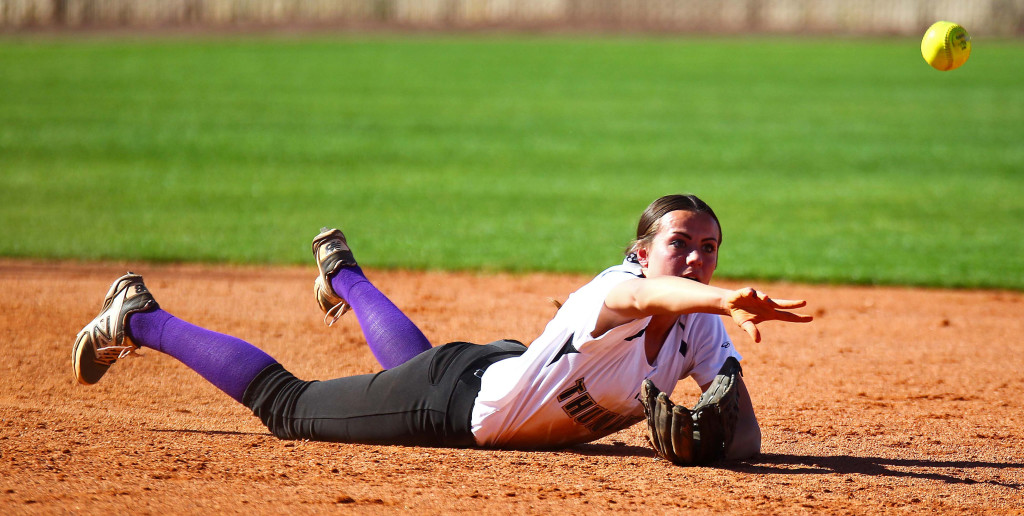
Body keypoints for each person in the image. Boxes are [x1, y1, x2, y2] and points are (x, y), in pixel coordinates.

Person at [72, 194, 811, 459]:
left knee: (413, 366)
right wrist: (726, 298)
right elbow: (660, 299)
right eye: (682, 242)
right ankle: (141, 318)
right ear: (640, 252)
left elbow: (743, 436)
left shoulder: (701, 330)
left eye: (710, 247)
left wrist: (713, 442)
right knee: (288, 407)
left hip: (489, 371)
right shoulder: (616, 291)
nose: (698, 257)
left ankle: (344, 278)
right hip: (455, 405)